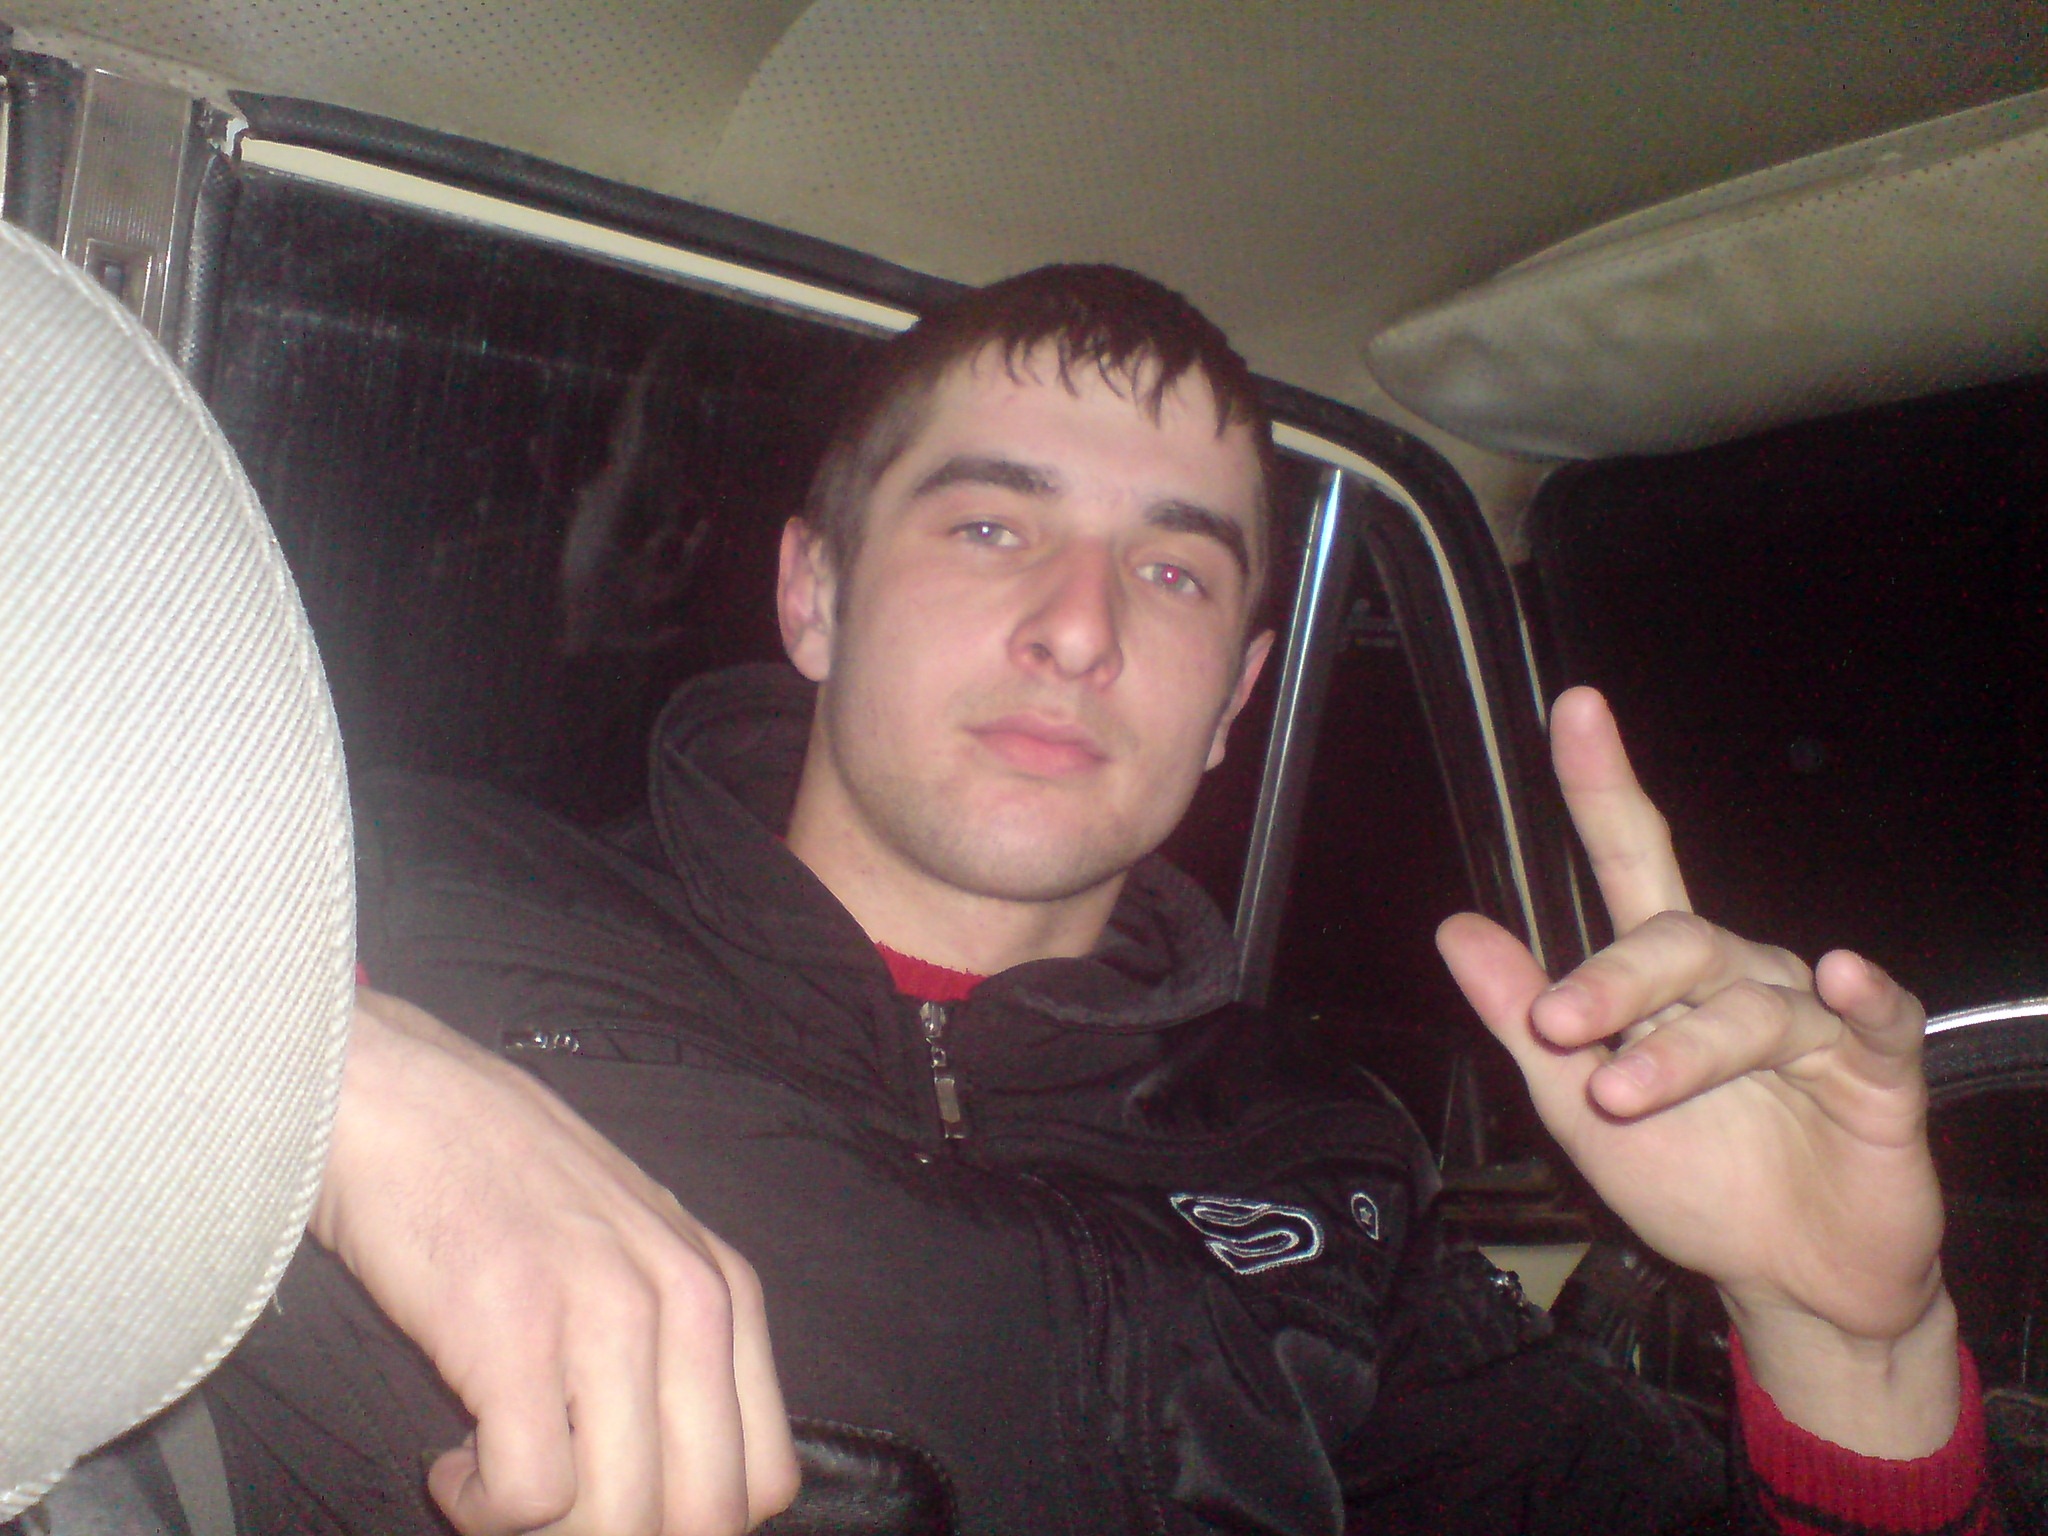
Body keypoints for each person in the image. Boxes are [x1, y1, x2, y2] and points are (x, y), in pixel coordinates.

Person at [208, 265, 1997, 1536]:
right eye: (992, 526)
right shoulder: (416, 899)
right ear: (815, 595)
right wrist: (327, 1068)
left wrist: (1855, 1344)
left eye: (1174, 571)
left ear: (1234, 703)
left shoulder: (1327, 1162)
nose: (1080, 627)